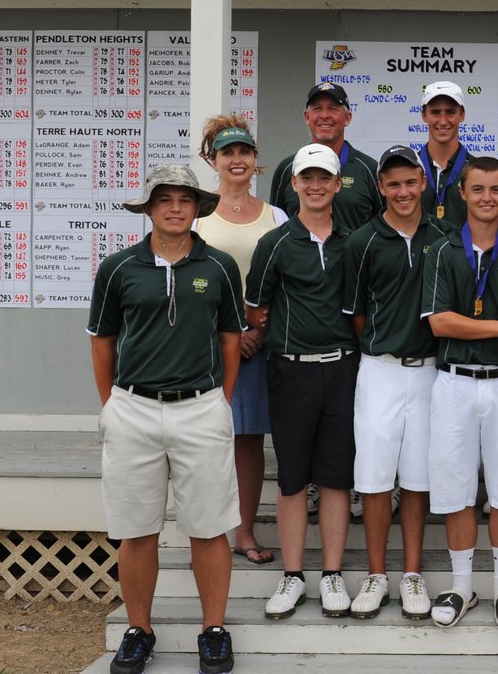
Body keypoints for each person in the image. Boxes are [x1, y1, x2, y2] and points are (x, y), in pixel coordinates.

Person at [88, 164, 244, 674]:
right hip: (133, 409)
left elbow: (229, 340)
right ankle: (139, 630)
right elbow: (103, 340)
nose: (175, 207)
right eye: (164, 199)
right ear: (149, 208)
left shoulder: (219, 266)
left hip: (200, 408)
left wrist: (220, 399)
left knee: (209, 527)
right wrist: (112, 404)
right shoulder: (117, 268)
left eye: (184, 199)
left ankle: (213, 630)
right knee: (136, 530)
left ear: (197, 207)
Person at [421, 156, 498, 629]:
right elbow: (440, 321)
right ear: (462, 194)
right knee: (454, 487)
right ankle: (461, 586)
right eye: (478, 189)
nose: (487, 198)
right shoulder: (443, 250)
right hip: (452, 382)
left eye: (496, 189)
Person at [247, 144, 359, 621]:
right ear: (293, 184)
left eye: (324, 178)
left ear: (337, 185)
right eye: (306, 177)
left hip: (342, 369)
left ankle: (331, 573)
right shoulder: (275, 242)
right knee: (293, 477)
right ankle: (293, 574)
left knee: (335, 477)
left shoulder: (352, 242)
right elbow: (256, 306)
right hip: (290, 368)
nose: (315, 185)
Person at [341, 145, 452, 621]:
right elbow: (357, 314)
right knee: (374, 476)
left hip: (430, 370)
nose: (403, 191)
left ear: (423, 183)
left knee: (417, 478)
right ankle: (376, 574)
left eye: (411, 182)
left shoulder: (445, 237)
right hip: (380, 369)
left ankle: (410, 574)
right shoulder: (362, 240)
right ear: (381, 187)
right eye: (393, 184)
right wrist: (385, 347)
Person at [194, 117, 289, 567]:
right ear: (213, 160)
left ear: (256, 161)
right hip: (207, 349)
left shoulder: (278, 217)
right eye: (227, 152)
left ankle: (245, 531)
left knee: (247, 443)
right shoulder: (195, 217)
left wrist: (258, 333)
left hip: (261, 346)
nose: (237, 160)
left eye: (244, 152)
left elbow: (286, 287)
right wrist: (227, 335)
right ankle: (207, 535)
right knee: (205, 445)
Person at [268, 81, 382, 234]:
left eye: (333, 109)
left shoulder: (369, 169)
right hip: (300, 257)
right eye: (317, 109)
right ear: (307, 117)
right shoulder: (287, 168)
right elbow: (278, 225)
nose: (324, 115)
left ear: (347, 118)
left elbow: (383, 228)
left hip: (355, 258)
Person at [418, 80, 473, 225]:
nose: (443, 121)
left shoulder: (476, 170)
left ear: (462, 115)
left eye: (450, 112)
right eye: (435, 112)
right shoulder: (410, 167)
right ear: (424, 115)